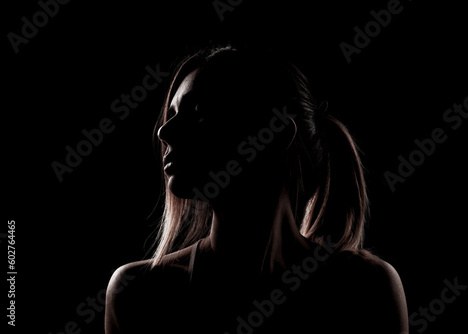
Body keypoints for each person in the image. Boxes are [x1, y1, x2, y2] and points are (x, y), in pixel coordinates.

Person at [105, 44, 409, 334]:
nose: (164, 131)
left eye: (197, 111)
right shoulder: (138, 293)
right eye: (171, 114)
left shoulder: (365, 288)